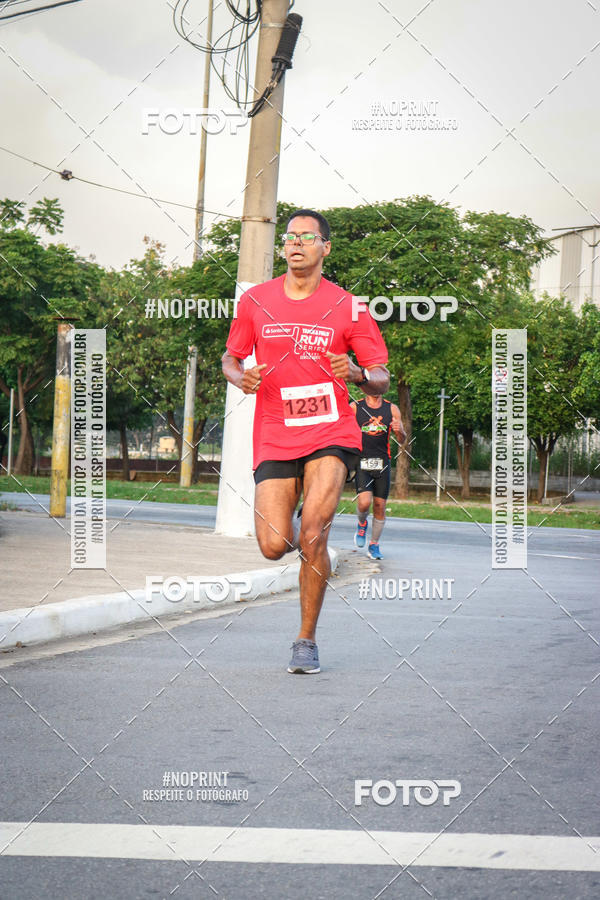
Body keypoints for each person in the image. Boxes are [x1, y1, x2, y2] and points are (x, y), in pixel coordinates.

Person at [222, 209, 390, 674]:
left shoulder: (349, 306)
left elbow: (380, 376)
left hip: (330, 432)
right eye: (290, 237)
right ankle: (312, 541)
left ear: (325, 248)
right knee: (275, 545)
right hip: (275, 432)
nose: (295, 243)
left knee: (313, 533)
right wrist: (240, 377)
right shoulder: (256, 300)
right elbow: (230, 357)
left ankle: (305, 640)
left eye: (306, 237)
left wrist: (356, 373)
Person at [351, 394, 405, 560]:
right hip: (362, 461)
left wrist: (400, 431)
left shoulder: (392, 409)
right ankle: (362, 524)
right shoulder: (354, 407)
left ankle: (374, 544)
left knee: (380, 506)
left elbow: (402, 440)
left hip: (383, 462)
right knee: (364, 502)